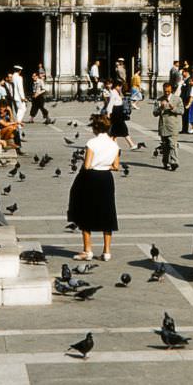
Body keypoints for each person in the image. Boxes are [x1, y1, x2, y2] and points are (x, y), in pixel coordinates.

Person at [67, 115, 119, 261]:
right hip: (106, 179)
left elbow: (87, 165)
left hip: (91, 178)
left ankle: (87, 250)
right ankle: (107, 251)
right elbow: (116, 166)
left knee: (86, 212)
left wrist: (96, 164)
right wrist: (104, 165)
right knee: (107, 212)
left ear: (95, 128)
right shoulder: (114, 144)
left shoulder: (92, 143)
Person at [153, 82, 183, 170]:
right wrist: (160, 108)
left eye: (168, 91)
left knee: (172, 145)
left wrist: (173, 108)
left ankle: (174, 162)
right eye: (165, 91)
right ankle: (165, 162)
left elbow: (182, 111)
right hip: (163, 126)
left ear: (171, 90)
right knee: (165, 146)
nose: (167, 93)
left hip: (173, 126)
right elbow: (154, 113)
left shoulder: (177, 99)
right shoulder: (159, 100)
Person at [106, 81, 143, 150]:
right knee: (122, 129)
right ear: (116, 86)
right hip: (116, 113)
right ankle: (130, 144)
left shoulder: (116, 92)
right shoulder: (113, 93)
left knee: (115, 131)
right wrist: (108, 113)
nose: (120, 88)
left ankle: (118, 145)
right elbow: (110, 104)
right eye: (120, 86)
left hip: (118, 112)